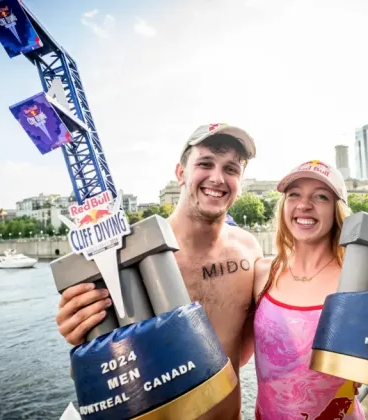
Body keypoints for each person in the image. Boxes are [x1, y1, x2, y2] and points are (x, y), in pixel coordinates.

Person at [55, 124, 264, 420]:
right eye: (205, 164)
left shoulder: (249, 250)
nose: (217, 178)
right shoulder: (129, 262)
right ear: (180, 173)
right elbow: (96, 375)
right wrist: (78, 330)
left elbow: (249, 348)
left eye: (231, 169)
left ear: (240, 181)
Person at [243, 161, 368, 419]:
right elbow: (235, 357)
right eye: (294, 194)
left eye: (321, 196)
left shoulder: (361, 284)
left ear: (338, 211)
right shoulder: (262, 274)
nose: (304, 204)